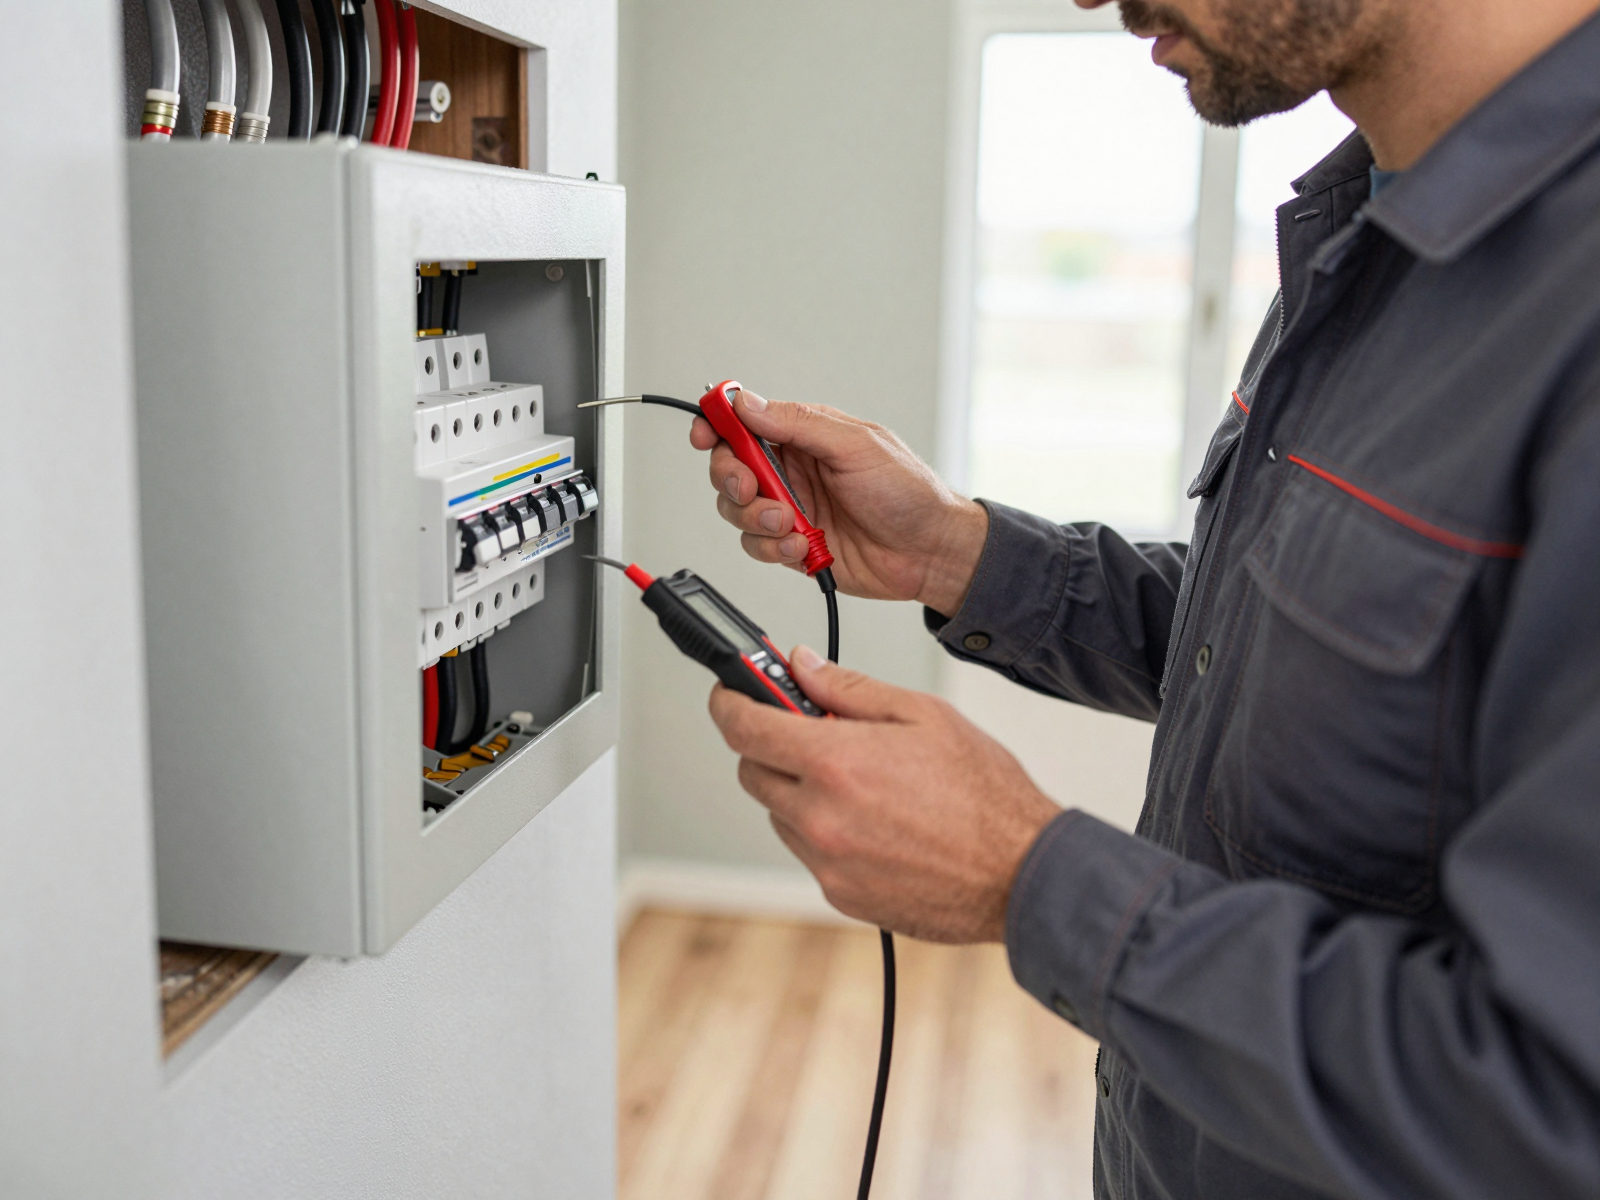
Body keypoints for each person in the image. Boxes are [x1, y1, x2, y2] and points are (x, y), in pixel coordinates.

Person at [687, 0, 1600, 1196]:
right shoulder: (1369, 223)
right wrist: (956, 554)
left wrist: (1025, 876)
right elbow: (1305, 643)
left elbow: (1550, 1112)